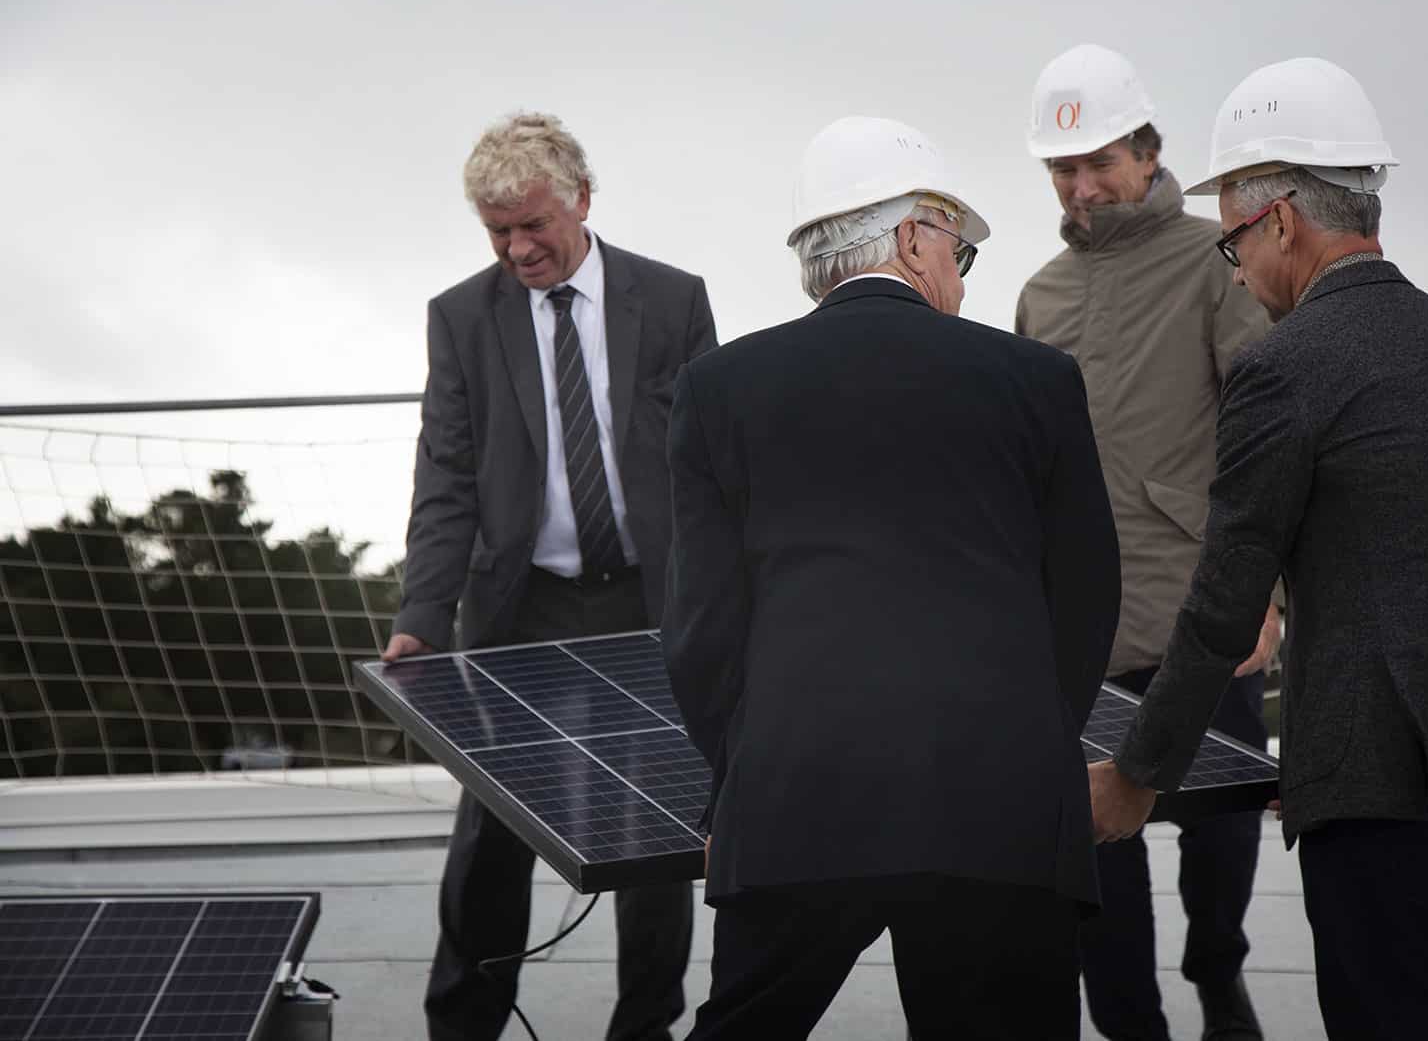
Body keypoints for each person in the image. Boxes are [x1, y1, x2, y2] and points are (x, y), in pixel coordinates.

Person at [1087, 59, 1428, 1041]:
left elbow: (1227, 598)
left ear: (1280, 221)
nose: (1235, 271)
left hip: (1393, 784)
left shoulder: (1284, 366)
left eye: (1231, 244)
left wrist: (1136, 774)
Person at [662, 115, 1120, 1040]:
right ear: (915, 236)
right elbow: (1085, 600)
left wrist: (740, 780)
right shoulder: (1037, 378)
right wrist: (1030, 747)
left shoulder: (718, 388)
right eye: (961, 250)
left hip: (796, 793)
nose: (960, 277)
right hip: (999, 807)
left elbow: (702, 630)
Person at [383, 111, 716, 1041]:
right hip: (521, 607)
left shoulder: (675, 299)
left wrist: (732, 601)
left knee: (654, 831)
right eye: (498, 233)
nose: (518, 249)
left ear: (582, 199)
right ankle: (464, 1021)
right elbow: (445, 475)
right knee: (491, 831)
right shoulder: (460, 317)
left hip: (651, 600)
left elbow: (712, 465)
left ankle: (644, 1025)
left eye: (533, 225)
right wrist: (421, 612)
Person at [1016, 44, 1276, 1041]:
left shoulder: (1217, 260)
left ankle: (1220, 967)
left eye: (1099, 163)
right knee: (1095, 840)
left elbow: (1268, 432)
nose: (1083, 187)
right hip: (1076, 617)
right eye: (1062, 170)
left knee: (1219, 822)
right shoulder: (1040, 294)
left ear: (1147, 150)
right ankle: (1133, 1023)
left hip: (1206, 608)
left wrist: (1270, 591)